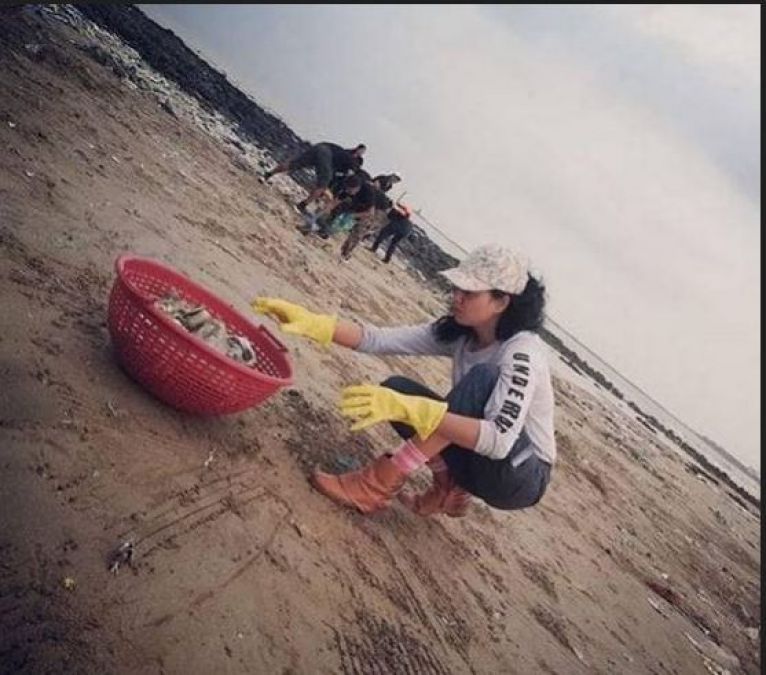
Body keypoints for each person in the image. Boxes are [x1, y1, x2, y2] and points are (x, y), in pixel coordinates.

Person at [251, 244, 555, 518]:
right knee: (398, 389)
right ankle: (448, 488)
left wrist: (420, 411)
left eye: (470, 293)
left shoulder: (521, 352)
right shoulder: (462, 332)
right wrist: (315, 324)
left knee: (481, 381)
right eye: (457, 288)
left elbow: (500, 441)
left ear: (502, 301)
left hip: (518, 476)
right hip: (477, 458)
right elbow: (377, 339)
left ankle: (374, 486)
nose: (456, 298)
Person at [261, 142, 366, 212]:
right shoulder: (353, 166)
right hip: (326, 154)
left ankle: (267, 175)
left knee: (295, 164)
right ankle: (302, 205)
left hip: (321, 146)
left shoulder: (346, 154)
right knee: (323, 183)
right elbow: (337, 182)